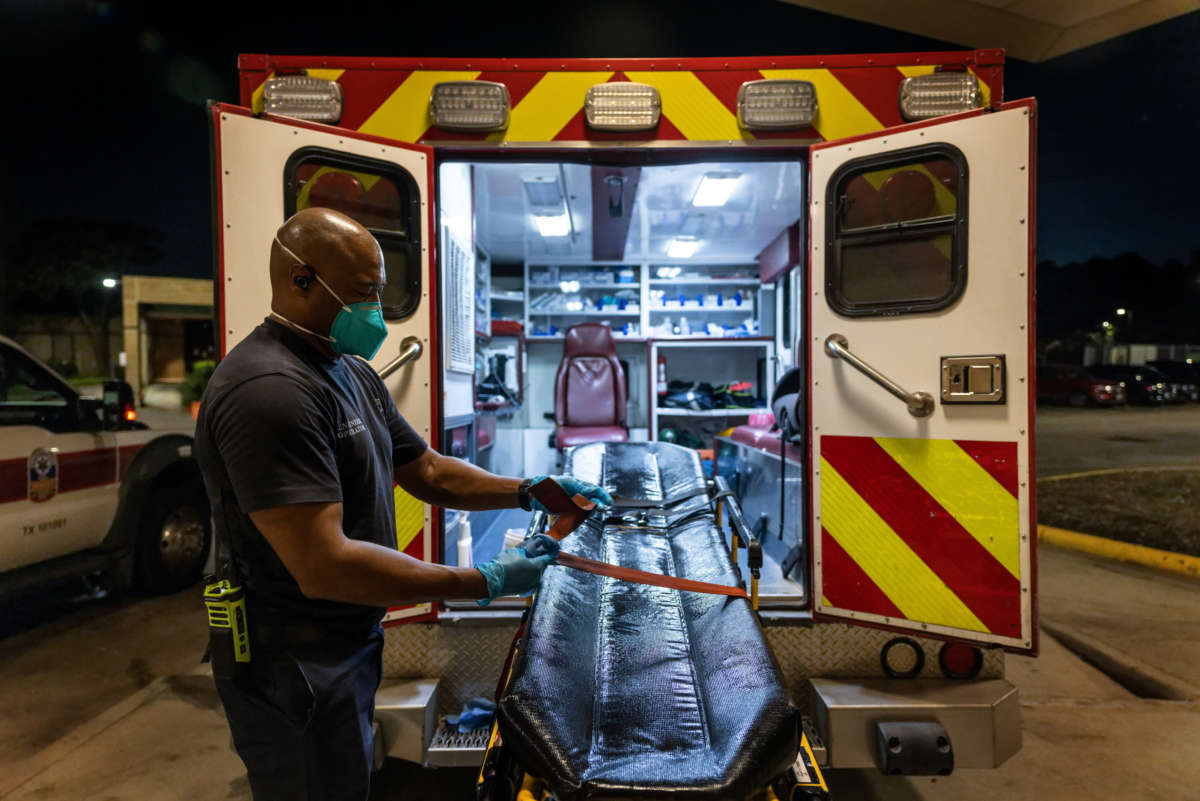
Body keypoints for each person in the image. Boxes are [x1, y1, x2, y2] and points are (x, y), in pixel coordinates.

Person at [194, 207, 611, 801]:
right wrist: (482, 579)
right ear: (300, 280)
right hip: (290, 661)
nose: (376, 310)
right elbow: (325, 564)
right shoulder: (269, 392)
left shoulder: (348, 372)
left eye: (379, 291)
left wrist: (534, 490)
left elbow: (431, 471)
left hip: (344, 642)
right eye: (364, 293)